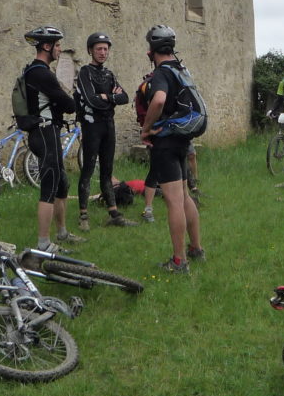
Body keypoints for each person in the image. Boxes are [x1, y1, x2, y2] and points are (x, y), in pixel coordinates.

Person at [139, 25, 203, 273]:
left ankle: (179, 261)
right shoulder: (181, 69)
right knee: (185, 196)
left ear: (152, 51)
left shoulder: (160, 74)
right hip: (182, 140)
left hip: (165, 142)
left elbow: (158, 100)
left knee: (173, 201)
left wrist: (146, 128)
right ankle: (195, 248)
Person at [21, 26, 81, 250]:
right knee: (49, 184)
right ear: (46, 46)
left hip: (47, 131)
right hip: (44, 132)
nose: (59, 49)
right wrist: (69, 99)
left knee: (62, 183)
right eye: (57, 45)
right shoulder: (40, 73)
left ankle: (62, 233)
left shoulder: (35, 71)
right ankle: (44, 243)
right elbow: (68, 104)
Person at [74, 32, 132, 230]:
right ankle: (83, 216)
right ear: (90, 50)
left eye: (105, 49)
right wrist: (110, 98)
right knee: (88, 169)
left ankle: (114, 213)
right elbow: (91, 100)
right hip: (92, 126)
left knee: (107, 171)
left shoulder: (109, 74)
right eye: (98, 48)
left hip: (108, 125)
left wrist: (105, 97)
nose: (102, 52)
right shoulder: (85, 72)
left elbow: (124, 97)